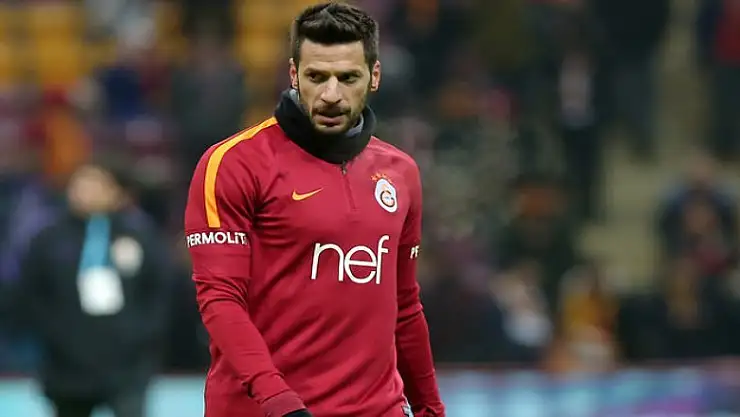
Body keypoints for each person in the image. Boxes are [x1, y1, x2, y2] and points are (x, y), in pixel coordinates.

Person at [184, 3, 445, 417]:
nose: (331, 95)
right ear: (294, 75)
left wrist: (431, 408)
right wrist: (279, 401)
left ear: (375, 76)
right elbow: (220, 300)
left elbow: (405, 306)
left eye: (348, 78)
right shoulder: (232, 164)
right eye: (316, 77)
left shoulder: (401, 173)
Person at [19, 156, 172, 417]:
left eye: (97, 184)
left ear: (117, 192)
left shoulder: (141, 236)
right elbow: (31, 295)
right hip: (66, 365)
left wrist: (139, 334)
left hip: (127, 364)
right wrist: (58, 337)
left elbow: (160, 293)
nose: (85, 191)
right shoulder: (48, 239)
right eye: (80, 184)